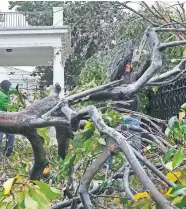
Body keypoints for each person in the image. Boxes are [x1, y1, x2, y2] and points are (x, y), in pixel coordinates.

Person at [0, 80, 19, 157]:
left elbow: (13, 90)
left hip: (6, 116)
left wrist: (19, 92)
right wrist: (15, 107)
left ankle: (7, 152)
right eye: (8, 87)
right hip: (1, 116)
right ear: (4, 87)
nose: (9, 88)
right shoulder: (0, 94)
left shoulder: (5, 91)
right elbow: (5, 106)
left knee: (11, 134)